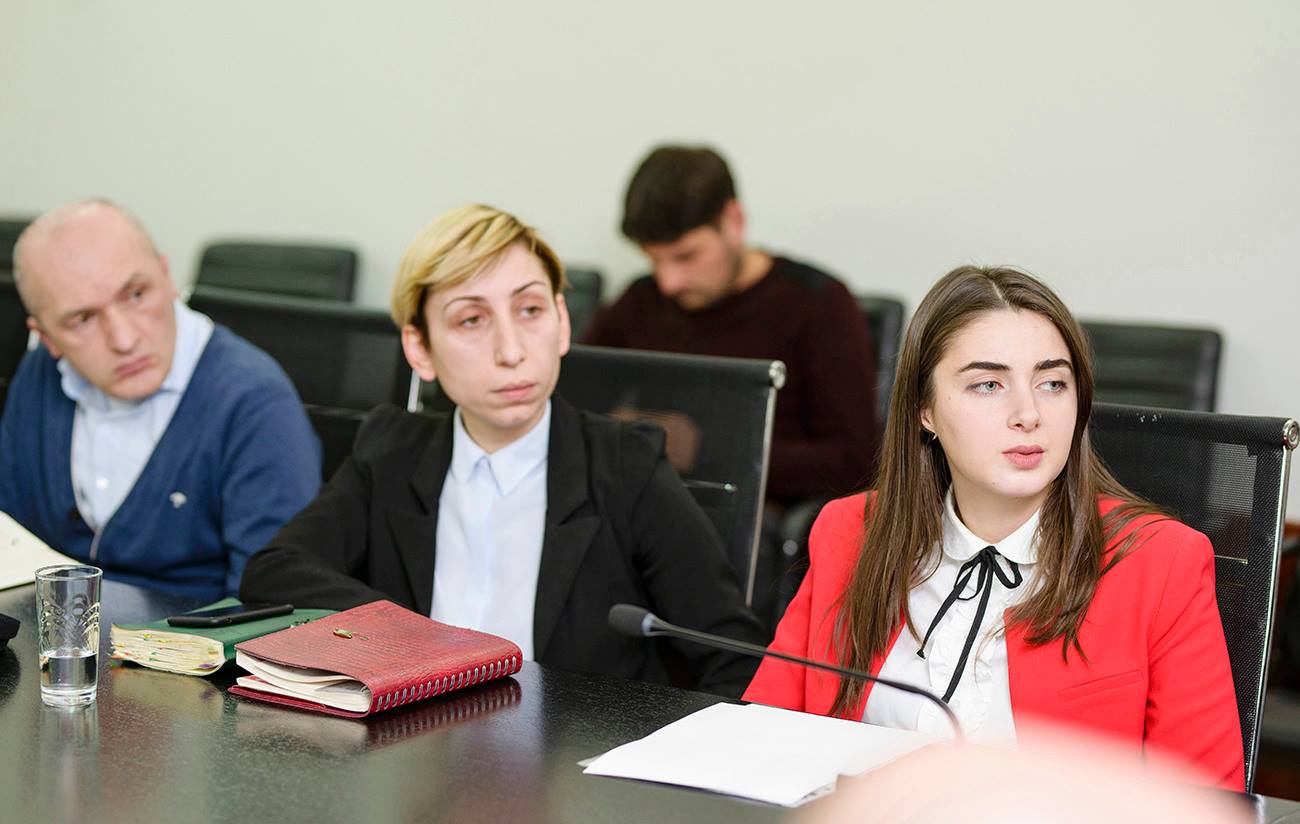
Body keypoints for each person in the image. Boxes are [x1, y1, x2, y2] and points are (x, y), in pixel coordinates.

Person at [743, 265, 1244, 788]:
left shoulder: (1161, 561)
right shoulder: (851, 532)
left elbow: (1206, 802)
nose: (1028, 413)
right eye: (987, 384)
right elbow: (761, 743)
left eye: (1052, 383)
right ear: (925, 409)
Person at [241, 204, 764, 697]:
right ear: (420, 349)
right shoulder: (392, 453)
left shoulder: (626, 465)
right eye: (471, 320)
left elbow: (737, 660)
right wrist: (413, 641)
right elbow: (276, 572)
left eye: (530, 310)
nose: (511, 351)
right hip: (414, 746)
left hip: (578, 754)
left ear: (562, 322)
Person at [0, 199, 320, 600]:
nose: (124, 339)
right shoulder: (40, 376)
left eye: (136, 295)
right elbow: (11, 545)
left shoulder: (254, 401)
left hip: (195, 635)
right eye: (82, 320)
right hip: (52, 629)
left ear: (167, 278)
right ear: (47, 338)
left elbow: (274, 603)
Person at [584, 145, 878, 504]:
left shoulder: (818, 304)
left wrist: (708, 451)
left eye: (686, 256)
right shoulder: (641, 300)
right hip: (644, 505)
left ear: (733, 221)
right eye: (653, 260)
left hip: (758, 516)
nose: (668, 282)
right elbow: (574, 395)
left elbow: (854, 460)